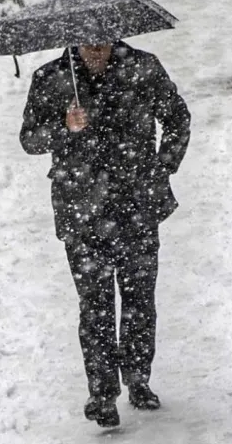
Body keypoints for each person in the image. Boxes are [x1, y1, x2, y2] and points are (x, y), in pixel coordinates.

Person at [20, 41, 190, 427]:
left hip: (137, 204)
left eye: (103, 42)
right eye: (88, 43)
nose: (95, 50)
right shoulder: (50, 78)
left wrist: (163, 167)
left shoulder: (142, 67)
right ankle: (102, 393)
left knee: (139, 299)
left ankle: (138, 379)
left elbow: (177, 117)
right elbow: (29, 139)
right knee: (94, 306)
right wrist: (63, 126)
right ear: (74, 42)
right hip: (81, 209)